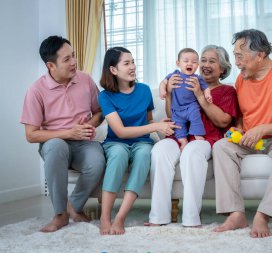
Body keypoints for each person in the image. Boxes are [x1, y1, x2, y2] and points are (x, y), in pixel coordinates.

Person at [212, 29, 272, 238]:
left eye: (240, 56)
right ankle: (236, 213)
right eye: (235, 56)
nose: (236, 62)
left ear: (260, 54)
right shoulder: (241, 78)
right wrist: (238, 127)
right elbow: (242, 113)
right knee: (221, 147)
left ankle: (263, 214)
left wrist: (263, 129)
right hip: (249, 138)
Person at [146, 45, 239, 227]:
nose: (205, 64)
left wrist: (199, 94)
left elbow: (222, 122)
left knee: (191, 153)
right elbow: (173, 114)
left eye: (212, 61)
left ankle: (191, 219)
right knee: (159, 150)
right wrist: (171, 92)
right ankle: (158, 217)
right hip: (179, 134)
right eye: (203, 60)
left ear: (223, 68)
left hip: (206, 137)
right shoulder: (183, 81)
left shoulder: (227, 91)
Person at [20, 35, 105, 232]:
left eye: (73, 56)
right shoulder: (36, 90)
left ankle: (74, 206)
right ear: (51, 65)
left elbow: (100, 112)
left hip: (84, 142)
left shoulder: (85, 79)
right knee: (57, 145)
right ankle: (60, 214)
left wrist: (89, 125)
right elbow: (31, 135)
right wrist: (69, 132)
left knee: (97, 161)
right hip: (55, 142)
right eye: (67, 59)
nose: (74, 62)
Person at [98, 47, 178, 235]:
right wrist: (154, 127)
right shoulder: (105, 96)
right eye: (126, 63)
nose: (133, 66)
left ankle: (120, 217)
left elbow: (149, 120)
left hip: (142, 142)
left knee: (143, 154)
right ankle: (104, 216)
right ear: (113, 70)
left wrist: (159, 124)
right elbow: (120, 131)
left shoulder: (143, 90)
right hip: (116, 142)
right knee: (117, 154)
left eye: (133, 61)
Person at [159, 48, 212, 150]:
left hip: (191, 106)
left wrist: (207, 95)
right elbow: (163, 82)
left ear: (198, 65)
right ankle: (183, 141)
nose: (190, 64)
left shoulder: (197, 78)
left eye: (194, 62)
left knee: (196, 118)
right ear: (178, 63)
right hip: (177, 109)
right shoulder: (174, 74)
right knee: (178, 126)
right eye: (186, 61)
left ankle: (198, 136)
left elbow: (206, 88)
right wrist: (162, 90)